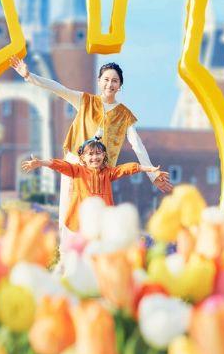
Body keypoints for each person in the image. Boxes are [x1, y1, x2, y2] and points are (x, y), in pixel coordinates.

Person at [9, 57, 173, 241]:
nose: (110, 84)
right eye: (106, 79)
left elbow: (137, 145)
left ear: (120, 85)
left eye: (114, 81)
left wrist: (153, 175)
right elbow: (59, 89)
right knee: (69, 211)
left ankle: (95, 254)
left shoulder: (124, 114)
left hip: (101, 170)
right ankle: (66, 258)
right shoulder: (85, 100)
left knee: (99, 213)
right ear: (99, 81)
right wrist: (29, 76)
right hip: (75, 165)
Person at [21, 137, 164, 232]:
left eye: (98, 153)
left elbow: (126, 169)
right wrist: (41, 163)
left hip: (103, 221)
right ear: (82, 157)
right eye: (90, 154)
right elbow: (59, 165)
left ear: (104, 156)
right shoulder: (77, 170)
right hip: (81, 221)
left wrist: (149, 168)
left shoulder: (108, 173)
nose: (94, 157)